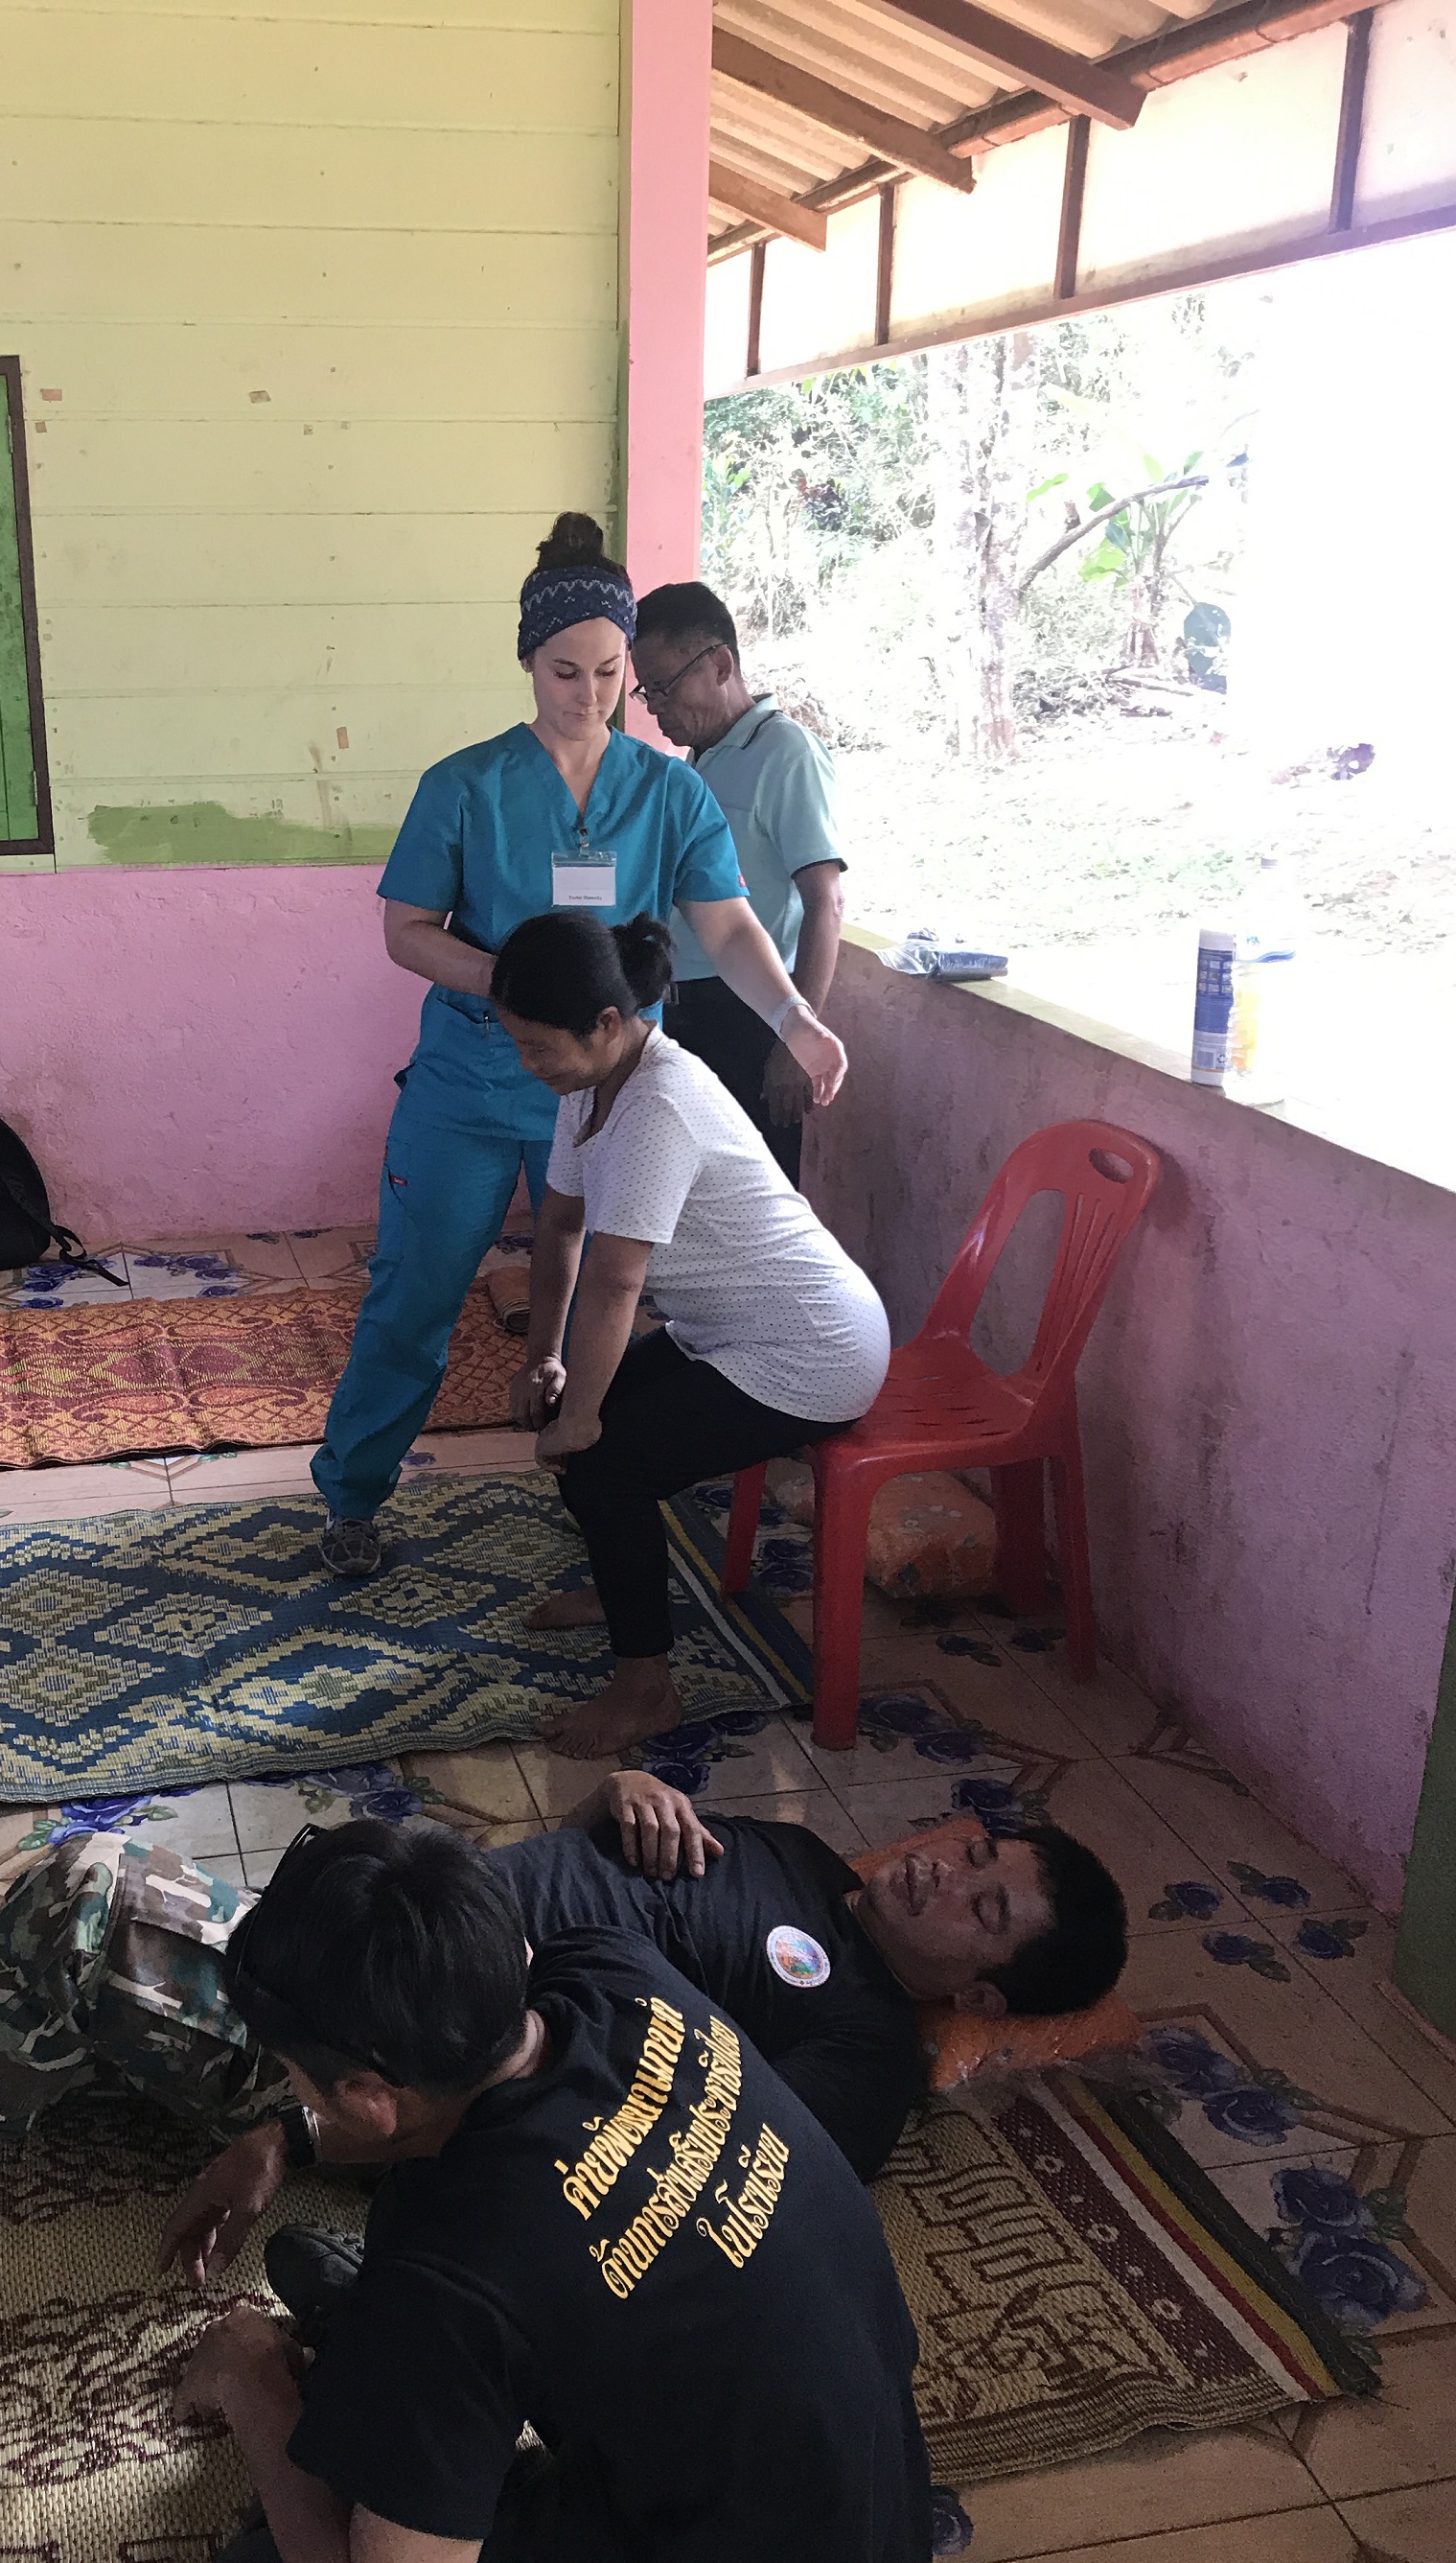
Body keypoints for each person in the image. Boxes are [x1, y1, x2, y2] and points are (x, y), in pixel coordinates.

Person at [0, 1767, 1127, 2303]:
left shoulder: (864, 2044)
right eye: (974, 1851)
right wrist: (617, 1781)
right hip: (389, 1942)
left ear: (983, 2000)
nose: (946, 1869)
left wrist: (290, 2124)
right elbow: (607, 1852)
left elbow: (704, 2157)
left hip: (414, 2066)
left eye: (984, 1909)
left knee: (84, 1901)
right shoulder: (795, 1857)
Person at [172, 1817, 933, 2563]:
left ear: (371, 2099)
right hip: (878, 2518)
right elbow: (471, 2143)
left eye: (295, 2075)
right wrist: (290, 2145)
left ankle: (388, 2382)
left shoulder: (448, 2266)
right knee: (456, 2301)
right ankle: (404, 2381)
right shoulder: (610, 1971)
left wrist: (257, 2387)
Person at [312, 511, 850, 1583]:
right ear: (526, 660)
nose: (589, 695)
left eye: (611, 674)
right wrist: (512, 985)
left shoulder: (667, 791)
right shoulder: (463, 786)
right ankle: (353, 1495)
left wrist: (795, 1015)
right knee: (416, 1291)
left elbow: (727, 923)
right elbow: (404, 931)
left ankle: (592, 1503)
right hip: (472, 1079)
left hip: (608, 1095)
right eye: (565, 671)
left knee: (608, 1293)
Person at [493, 910, 889, 1755]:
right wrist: (545, 1361)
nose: (529, 1066)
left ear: (606, 1023)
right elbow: (560, 1227)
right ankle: (620, 1580)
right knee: (577, 1432)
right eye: (519, 1045)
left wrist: (583, 1414)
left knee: (601, 1461)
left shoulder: (659, 1101)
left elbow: (616, 1277)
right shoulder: (590, 1086)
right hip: (731, 1331)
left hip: (812, 1350)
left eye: (537, 1047)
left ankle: (647, 1688)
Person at [632, 581, 846, 1187]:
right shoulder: (700, 761)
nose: (655, 707)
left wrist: (793, 1036)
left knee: (753, 1197)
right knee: (690, 1195)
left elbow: (824, 902)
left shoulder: (786, 752)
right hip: (684, 1009)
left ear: (720, 664)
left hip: (752, 1014)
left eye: (665, 688)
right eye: (646, 691)